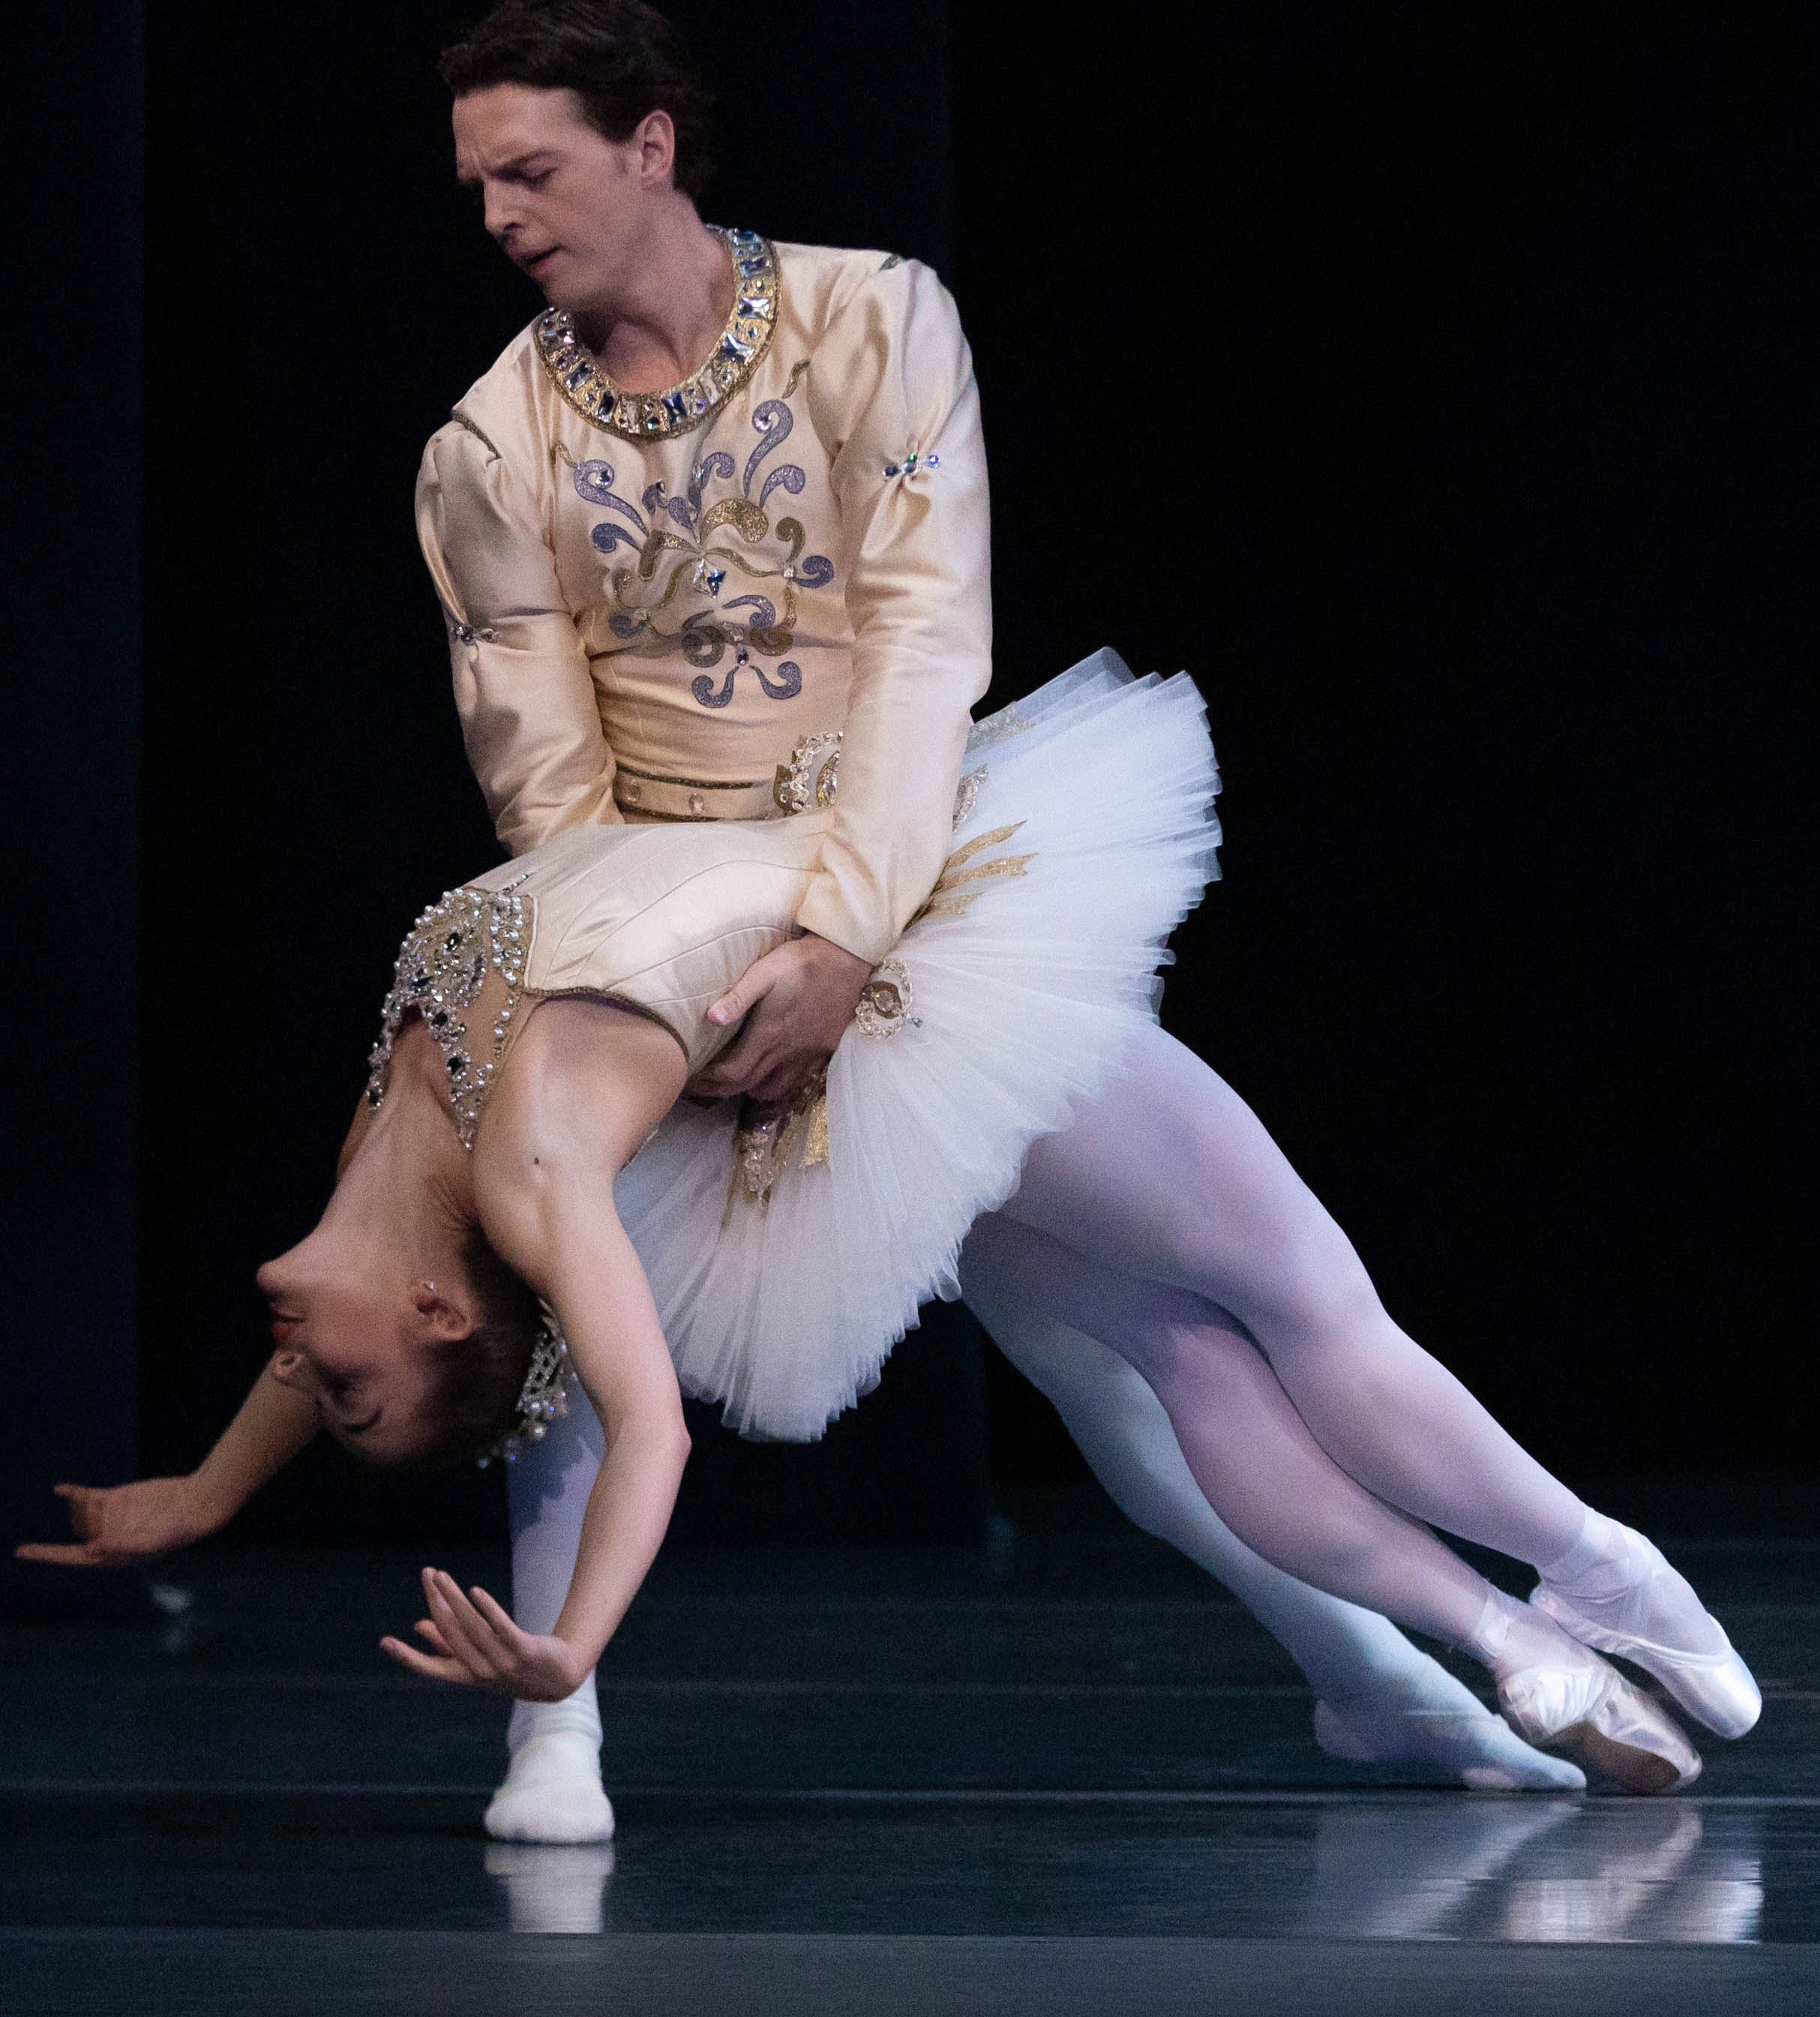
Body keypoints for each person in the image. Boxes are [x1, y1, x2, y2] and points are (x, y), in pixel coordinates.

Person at [19, 0, 1758, 1844]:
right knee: (982, 1346)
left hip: (920, 909)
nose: (498, 218)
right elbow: (549, 796)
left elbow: (928, 643)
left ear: (650, 146)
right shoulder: (486, 451)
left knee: (1213, 1331)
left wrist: (835, 941)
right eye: (474, 186)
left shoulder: (869, 318)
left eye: (530, 170)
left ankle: (1528, 1607)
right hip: (687, 966)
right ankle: (1471, 1637)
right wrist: (679, 996)